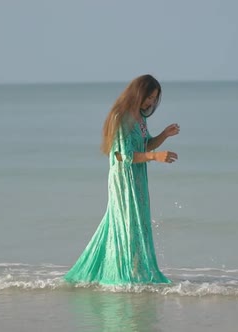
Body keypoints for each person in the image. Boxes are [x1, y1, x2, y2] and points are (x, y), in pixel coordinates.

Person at [64, 74, 180, 285]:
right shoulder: (120, 117)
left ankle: (134, 272)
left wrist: (163, 135)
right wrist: (155, 157)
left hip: (138, 178)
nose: (151, 102)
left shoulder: (140, 117)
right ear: (139, 93)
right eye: (149, 97)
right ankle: (122, 275)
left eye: (155, 99)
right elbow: (122, 155)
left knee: (137, 224)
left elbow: (143, 146)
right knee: (125, 225)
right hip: (123, 179)